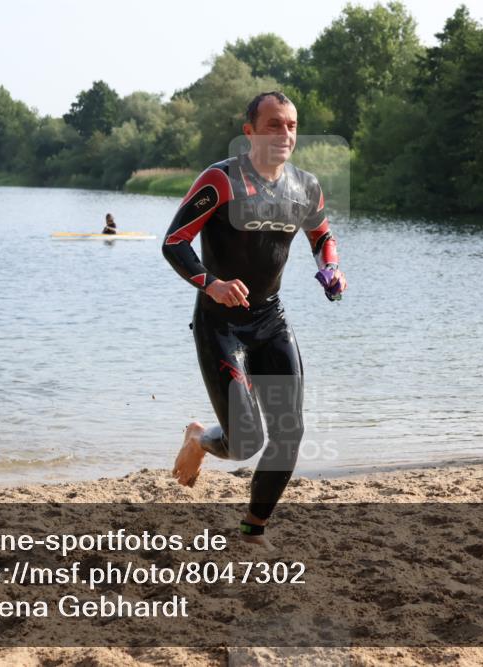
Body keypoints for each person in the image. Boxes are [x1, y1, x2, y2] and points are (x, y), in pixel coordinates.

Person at [162, 91, 347, 545]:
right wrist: (212, 283)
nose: (285, 134)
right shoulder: (222, 181)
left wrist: (331, 266)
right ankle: (201, 438)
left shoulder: (305, 187)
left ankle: (252, 530)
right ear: (250, 133)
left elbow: (322, 235)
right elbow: (175, 241)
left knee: (289, 434)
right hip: (220, 324)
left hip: (271, 322)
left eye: (291, 125)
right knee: (245, 442)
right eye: (273, 125)